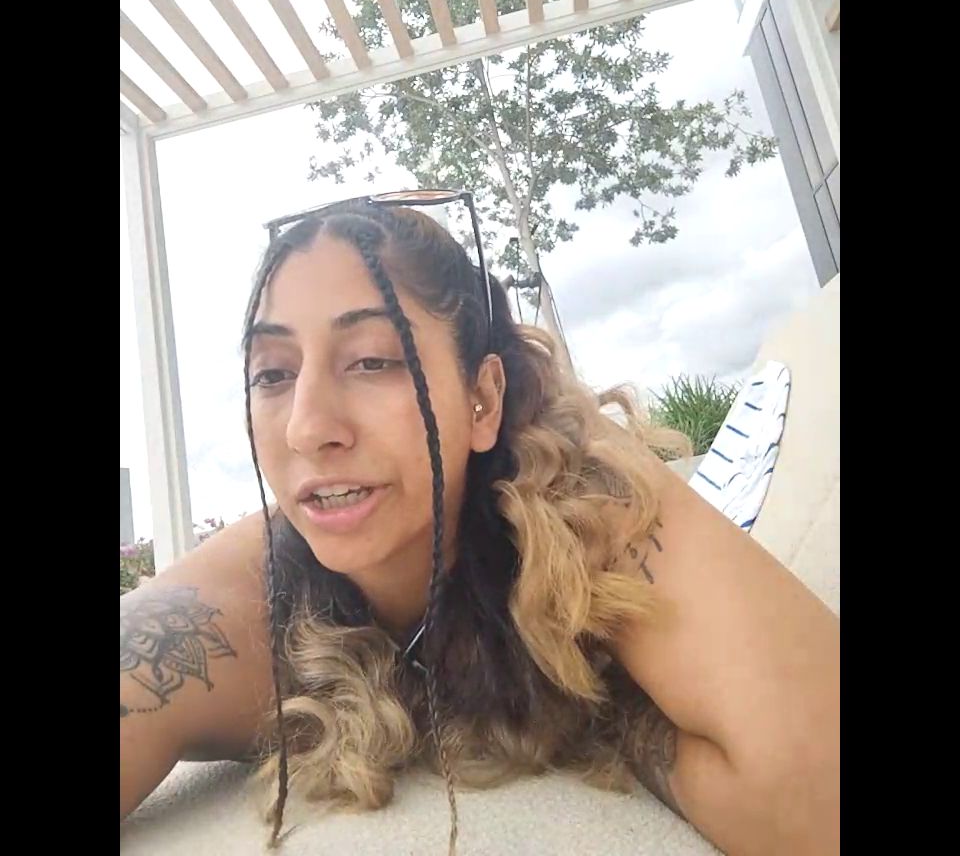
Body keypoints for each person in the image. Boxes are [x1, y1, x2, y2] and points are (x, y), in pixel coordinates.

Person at [120, 195, 840, 856]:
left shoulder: (582, 513)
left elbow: (814, 789)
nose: (307, 428)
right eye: (273, 374)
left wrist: (609, 711)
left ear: (484, 399)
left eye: (371, 360)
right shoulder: (234, 610)